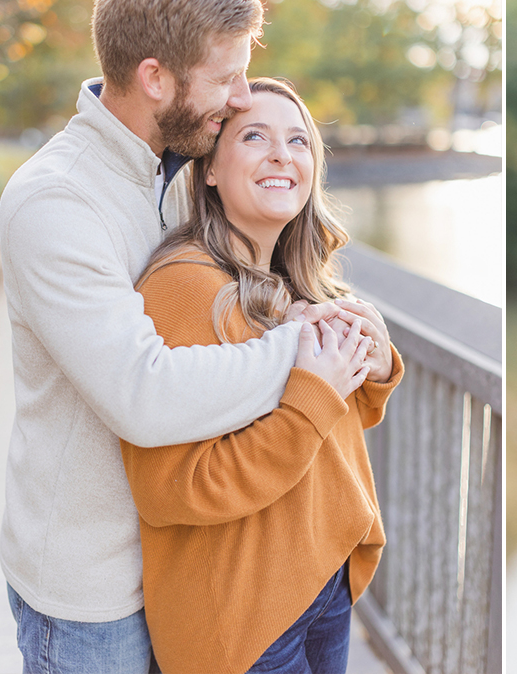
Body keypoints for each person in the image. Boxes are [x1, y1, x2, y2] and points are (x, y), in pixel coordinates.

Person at [0, 0, 334, 673]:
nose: (243, 96)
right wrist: (303, 355)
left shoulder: (178, 171)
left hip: (180, 564)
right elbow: (143, 393)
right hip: (92, 595)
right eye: (226, 78)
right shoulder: (56, 201)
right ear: (155, 77)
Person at [119, 77, 403, 674]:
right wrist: (314, 393)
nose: (282, 154)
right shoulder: (183, 286)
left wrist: (376, 367)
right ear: (211, 171)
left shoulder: (297, 282)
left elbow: (320, 427)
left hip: (318, 580)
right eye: (255, 136)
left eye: (299, 141)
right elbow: (174, 488)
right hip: (246, 617)